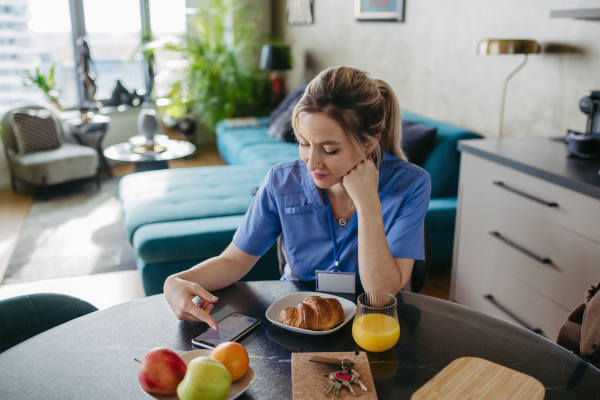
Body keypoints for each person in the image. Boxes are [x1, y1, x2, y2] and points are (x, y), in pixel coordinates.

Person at [164, 66, 431, 329]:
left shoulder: (411, 185)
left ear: (368, 144)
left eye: (329, 150)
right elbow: (233, 262)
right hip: (297, 324)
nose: (312, 163)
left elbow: (380, 294)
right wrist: (176, 281)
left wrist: (368, 204)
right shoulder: (281, 181)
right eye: (304, 144)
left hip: (371, 324)